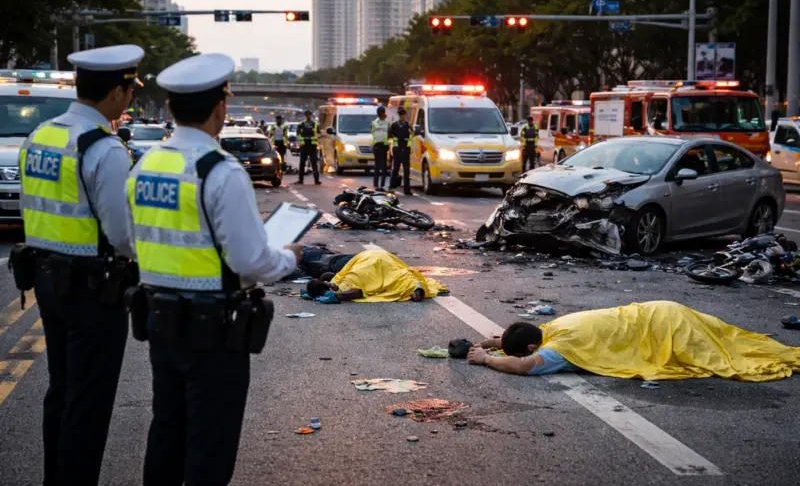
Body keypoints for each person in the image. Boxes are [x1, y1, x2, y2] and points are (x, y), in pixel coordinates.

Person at [124, 53, 303, 486]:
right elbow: (250, 261)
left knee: (166, 432)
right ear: (221, 107)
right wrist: (291, 257)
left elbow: (134, 242)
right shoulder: (220, 171)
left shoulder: (145, 165)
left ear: (168, 108)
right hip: (214, 329)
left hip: (161, 321)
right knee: (210, 444)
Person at [15, 45, 144, 485]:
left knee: (63, 391)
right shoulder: (104, 148)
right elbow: (122, 234)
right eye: (129, 89)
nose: (130, 98)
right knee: (88, 402)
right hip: (92, 288)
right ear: (114, 92)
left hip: (46, 278)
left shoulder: (42, 135)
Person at [466, 301, 800, 381]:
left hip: (666, 330)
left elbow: (524, 365)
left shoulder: (559, 349)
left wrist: (487, 359)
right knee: (732, 340)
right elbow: (512, 341)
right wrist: (488, 343)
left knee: (732, 355)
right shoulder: (556, 326)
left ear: (531, 346)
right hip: (663, 311)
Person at [304, 249, 446, 302]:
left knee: (397, 277)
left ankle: (415, 288)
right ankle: (415, 288)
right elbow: (329, 275)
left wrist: (337, 296)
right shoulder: (338, 279)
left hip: (370, 263)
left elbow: (356, 292)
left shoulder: (341, 286)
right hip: (370, 256)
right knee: (398, 275)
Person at [388, 107, 413, 195]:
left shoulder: (408, 125)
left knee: (406, 171)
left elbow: (412, 135)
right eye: (400, 115)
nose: (402, 116)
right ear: (399, 115)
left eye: (403, 115)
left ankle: (407, 190)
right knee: (396, 169)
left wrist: (410, 148)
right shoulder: (394, 125)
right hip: (397, 149)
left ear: (405, 115)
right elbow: (389, 135)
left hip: (406, 149)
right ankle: (392, 187)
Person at [296, 109, 320, 185]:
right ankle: (300, 180)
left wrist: (314, 136)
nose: (308, 116)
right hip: (304, 146)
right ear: (305, 116)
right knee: (302, 163)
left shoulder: (315, 124)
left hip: (312, 146)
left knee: (314, 163)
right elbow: (298, 135)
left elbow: (319, 134)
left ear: (311, 115)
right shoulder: (301, 124)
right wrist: (301, 141)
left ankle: (316, 180)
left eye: (309, 115)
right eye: (306, 115)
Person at [371, 106, 390, 189]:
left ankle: (382, 184)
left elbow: (390, 133)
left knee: (383, 167)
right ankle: (376, 184)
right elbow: (372, 133)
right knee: (377, 166)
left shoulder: (388, 123)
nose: (381, 114)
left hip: (384, 146)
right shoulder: (373, 123)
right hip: (377, 145)